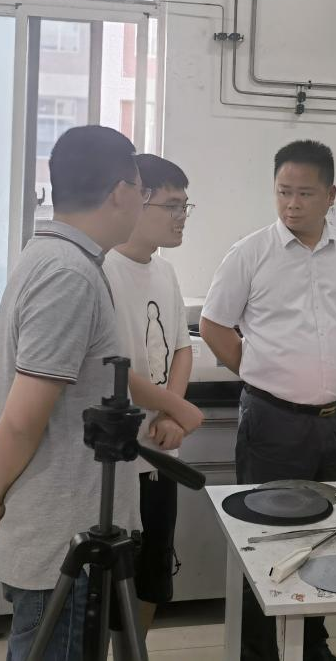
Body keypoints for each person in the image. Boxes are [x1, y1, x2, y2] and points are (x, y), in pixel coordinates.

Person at [0, 125, 146, 661]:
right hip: (63, 539)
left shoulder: (56, 258)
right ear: (120, 192)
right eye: (142, 189)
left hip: (66, 525)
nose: (143, 202)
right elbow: (24, 418)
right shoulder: (68, 273)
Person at [200, 140, 336, 661]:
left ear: (331, 195)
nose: (292, 204)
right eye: (283, 192)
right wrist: (260, 371)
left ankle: (312, 642)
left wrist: (325, 368)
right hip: (273, 419)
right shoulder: (250, 252)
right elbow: (213, 325)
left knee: (329, 532)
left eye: (305, 193)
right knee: (265, 537)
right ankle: (260, 651)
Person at [102, 154, 205, 630]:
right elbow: (110, 370)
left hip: (162, 452)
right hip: (116, 461)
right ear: (137, 201)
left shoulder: (164, 271)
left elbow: (182, 348)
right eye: (171, 205)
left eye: (185, 206)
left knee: (153, 572)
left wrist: (171, 415)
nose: (181, 216)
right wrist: (178, 407)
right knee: (109, 581)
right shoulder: (103, 270)